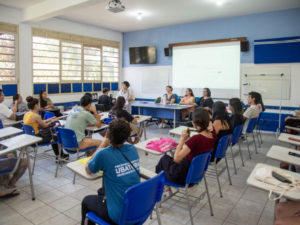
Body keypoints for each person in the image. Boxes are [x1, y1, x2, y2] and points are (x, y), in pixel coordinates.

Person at [82, 119, 140, 225]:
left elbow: (88, 169)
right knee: (101, 191)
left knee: (86, 201)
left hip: (118, 216)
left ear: (108, 135)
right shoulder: (132, 148)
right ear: (127, 135)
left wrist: (104, 142)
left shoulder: (104, 154)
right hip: (137, 210)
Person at [156, 108, 216, 185]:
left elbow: (176, 159)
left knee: (164, 159)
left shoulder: (196, 139)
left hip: (184, 176)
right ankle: (165, 187)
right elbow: (210, 123)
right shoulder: (213, 135)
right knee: (174, 155)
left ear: (194, 123)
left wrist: (182, 139)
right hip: (196, 174)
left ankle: (163, 187)